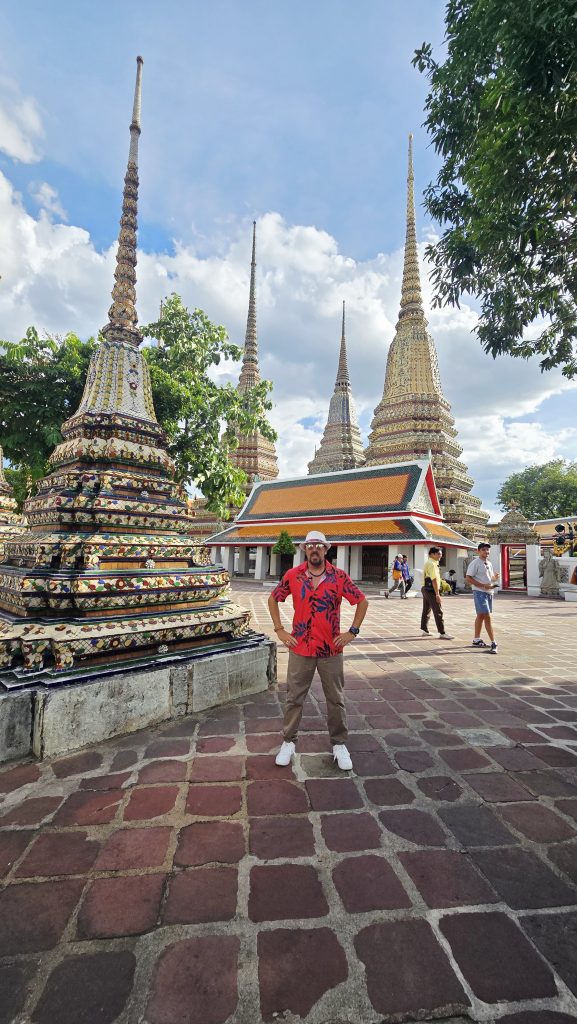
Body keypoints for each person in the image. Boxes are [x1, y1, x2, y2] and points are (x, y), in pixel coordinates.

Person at [268, 529, 368, 771]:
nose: (314, 549)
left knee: (336, 699)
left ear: (326, 549)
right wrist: (280, 630)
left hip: (331, 649)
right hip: (300, 647)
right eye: (310, 545)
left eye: (319, 545)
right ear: (304, 549)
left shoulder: (339, 577)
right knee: (294, 698)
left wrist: (351, 632)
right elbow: (273, 598)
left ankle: (339, 745)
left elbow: (361, 601)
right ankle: (288, 742)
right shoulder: (294, 575)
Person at [466, 542, 500, 654]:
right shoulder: (475, 563)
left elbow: (490, 577)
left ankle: (476, 639)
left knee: (480, 615)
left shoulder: (488, 563)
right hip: (480, 592)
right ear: (478, 551)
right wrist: (483, 586)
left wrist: (495, 578)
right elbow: (469, 578)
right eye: (484, 550)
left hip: (489, 592)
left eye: (488, 550)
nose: (486, 552)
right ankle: (493, 642)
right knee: (487, 615)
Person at [421, 546, 453, 639]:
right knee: (438, 610)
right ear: (432, 554)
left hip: (425, 588)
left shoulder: (430, 562)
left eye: (441, 554)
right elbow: (434, 579)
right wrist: (437, 594)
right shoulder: (432, 564)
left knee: (426, 610)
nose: (440, 556)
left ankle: (425, 630)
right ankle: (442, 632)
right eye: (438, 554)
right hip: (431, 590)